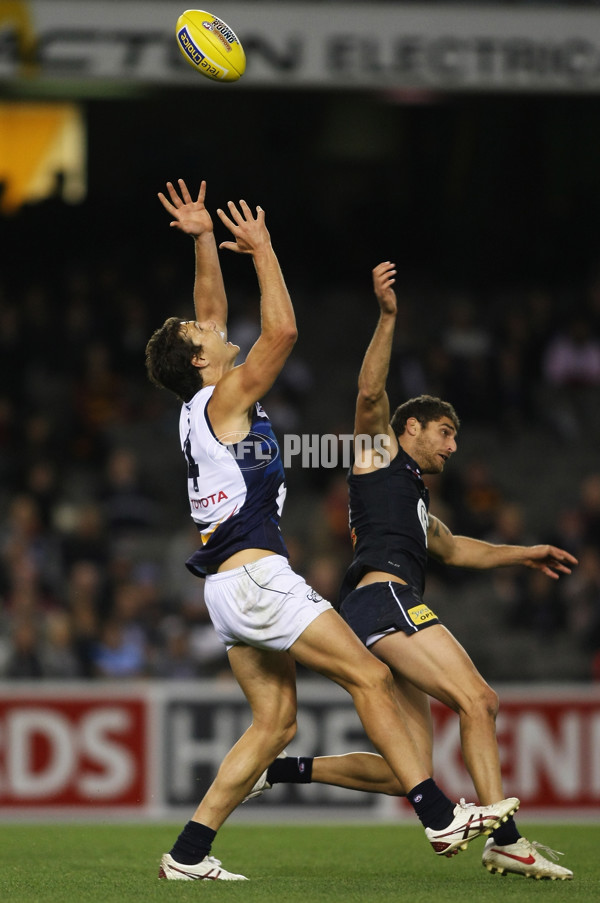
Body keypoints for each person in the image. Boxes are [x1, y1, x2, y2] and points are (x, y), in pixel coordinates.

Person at [144, 185, 518, 881]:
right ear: (200, 362)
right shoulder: (226, 393)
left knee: (275, 724)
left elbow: (210, 308)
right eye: (205, 337)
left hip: (229, 591)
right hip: (258, 579)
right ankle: (439, 814)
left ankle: (188, 854)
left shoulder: (201, 401)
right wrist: (263, 251)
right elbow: (280, 332)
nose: (214, 328)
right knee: (370, 675)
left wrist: (201, 239)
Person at [247, 261, 577, 882]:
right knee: (478, 699)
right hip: (385, 599)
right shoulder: (378, 456)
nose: (453, 447)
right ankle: (506, 839)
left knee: (409, 769)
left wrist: (526, 553)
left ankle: (281, 770)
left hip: (377, 608)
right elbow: (370, 394)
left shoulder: (412, 498)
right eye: (445, 433)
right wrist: (388, 316)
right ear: (411, 429)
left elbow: (454, 551)